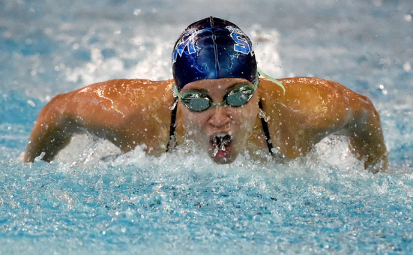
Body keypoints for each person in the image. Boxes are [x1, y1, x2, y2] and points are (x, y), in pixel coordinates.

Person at [23, 17, 388, 171]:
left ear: (258, 87)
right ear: (177, 94)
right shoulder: (134, 117)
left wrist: (376, 174)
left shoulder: (305, 113)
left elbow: (363, 113)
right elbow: (59, 112)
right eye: (198, 99)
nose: (219, 117)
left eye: (236, 95)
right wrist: (31, 168)